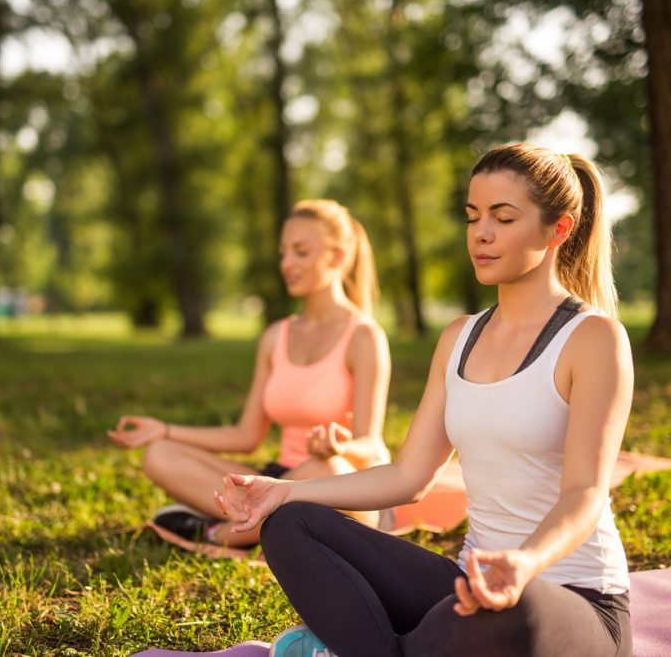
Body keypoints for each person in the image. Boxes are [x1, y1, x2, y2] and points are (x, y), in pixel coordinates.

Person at [216, 143, 634, 656]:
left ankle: (365, 646)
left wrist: (524, 564)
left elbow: (585, 494)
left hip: (572, 601)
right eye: (473, 216)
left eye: (503, 218)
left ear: (559, 230)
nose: (481, 233)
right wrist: (283, 491)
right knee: (289, 524)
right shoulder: (459, 338)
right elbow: (408, 477)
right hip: (467, 589)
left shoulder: (593, 339)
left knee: (509, 610)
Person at [109, 199, 391, 548]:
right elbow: (246, 435)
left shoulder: (364, 336)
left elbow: (373, 447)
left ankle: (218, 533)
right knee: (159, 454)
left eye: (300, 252)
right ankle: (258, 522)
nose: (287, 263)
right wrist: (164, 430)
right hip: (276, 479)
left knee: (328, 469)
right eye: (283, 252)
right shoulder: (276, 336)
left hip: (336, 483)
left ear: (336, 257)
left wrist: (339, 445)